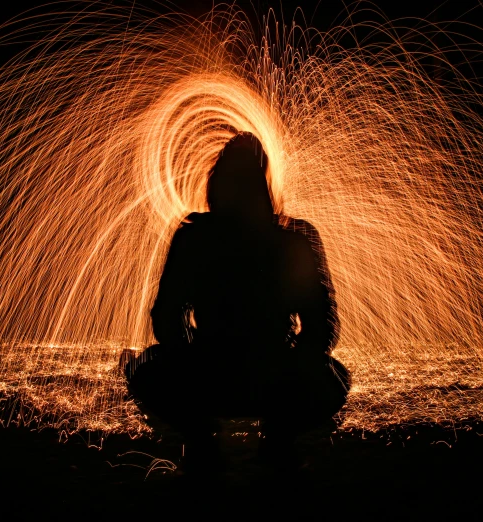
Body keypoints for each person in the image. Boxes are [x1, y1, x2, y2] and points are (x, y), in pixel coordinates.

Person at [122, 132, 349, 468]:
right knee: (337, 378)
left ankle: (199, 436)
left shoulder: (193, 236)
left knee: (139, 367)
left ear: (216, 181)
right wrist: (290, 363)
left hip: (207, 378)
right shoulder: (296, 238)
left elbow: (167, 319)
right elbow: (323, 327)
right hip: (276, 380)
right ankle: (279, 437)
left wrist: (193, 358)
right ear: (265, 183)